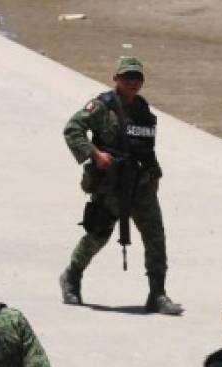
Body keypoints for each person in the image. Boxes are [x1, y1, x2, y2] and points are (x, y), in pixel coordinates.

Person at [59, 55, 183, 315]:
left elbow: (146, 147)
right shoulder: (102, 106)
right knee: (98, 235)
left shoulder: (143, 109)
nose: (132, 82)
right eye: (127, 77)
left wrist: (155, 174)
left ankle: (157, 293)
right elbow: (73, 129)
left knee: (155, 237)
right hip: (111, 183)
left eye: (137, 78)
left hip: (141, 183)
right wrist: (95, 154)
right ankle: (72, 277)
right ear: (116, 79)